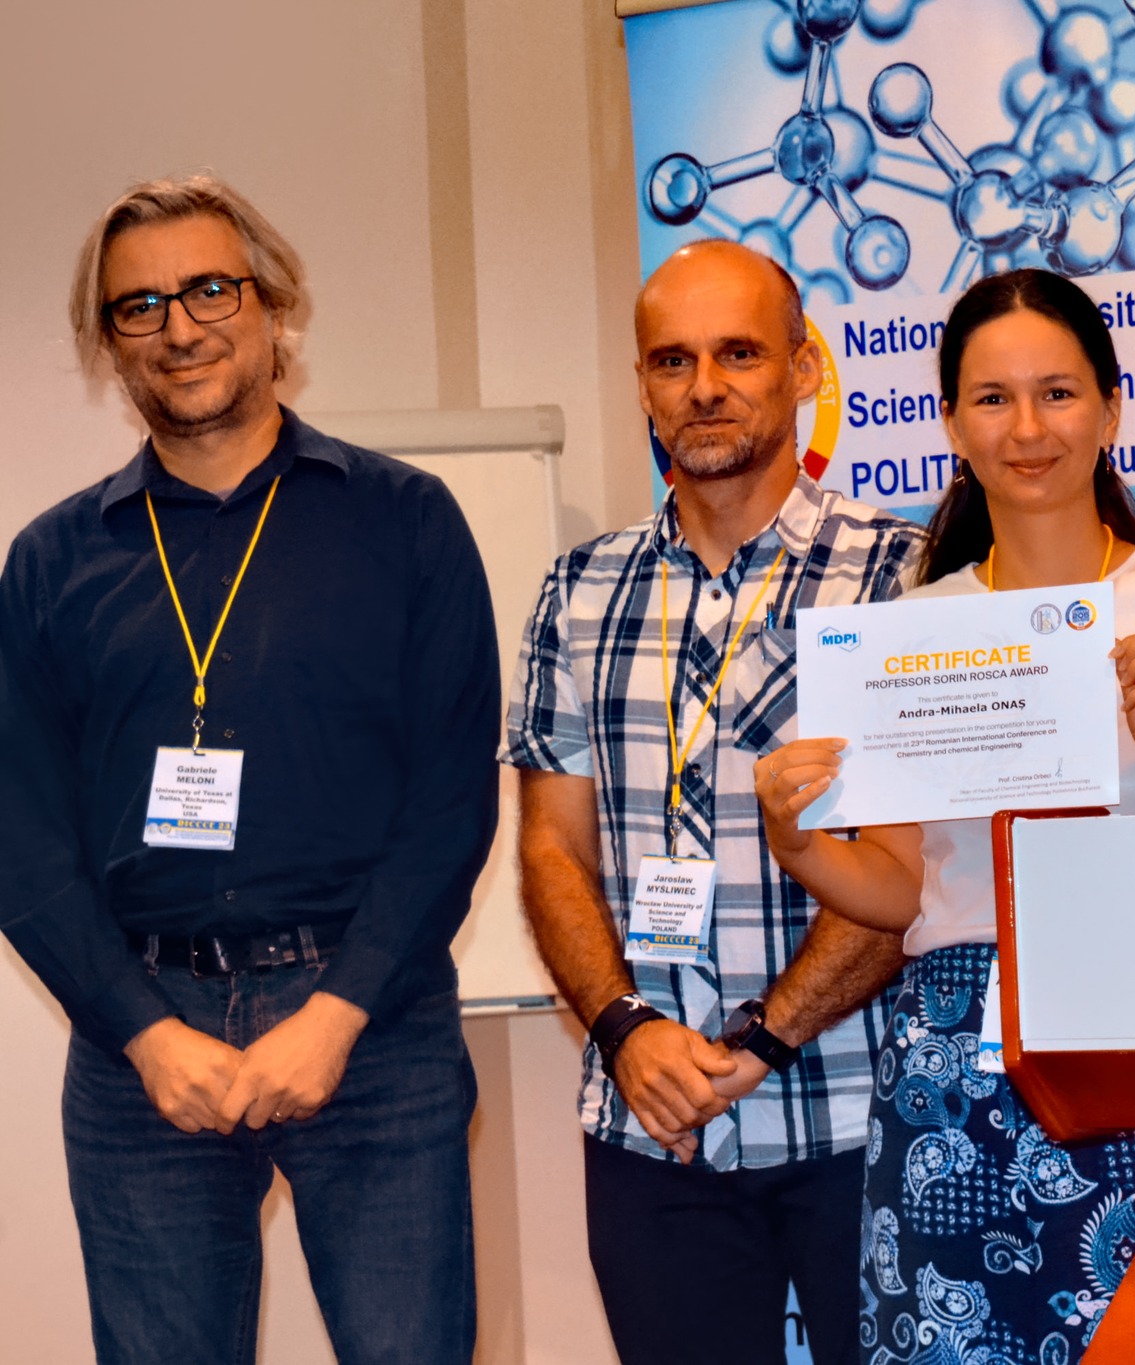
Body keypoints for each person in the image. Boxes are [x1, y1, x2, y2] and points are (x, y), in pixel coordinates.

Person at [754, 268, 1135, 1358]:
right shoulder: (912, 628)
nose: (1027, 429)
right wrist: (798, 839)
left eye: (1057, 393)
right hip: (952, 1064)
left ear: (1111, 409)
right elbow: (903, 888)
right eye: (992, 398)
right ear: (950, 425)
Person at [0, 176, 500, 1363]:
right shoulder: (53, 561)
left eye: (210, 290)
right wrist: (141, 1032)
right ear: (109, 343)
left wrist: (335, 1014)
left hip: (372, 1028)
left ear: (274, 305)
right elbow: (19, 831)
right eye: (139, 306)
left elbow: (448, 801)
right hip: (142, 1041)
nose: (179, 327)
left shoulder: (406, 521)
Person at [503, 239, 924, 1365]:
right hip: (648, 1132)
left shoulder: (900, 578)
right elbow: (550, 849)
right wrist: (626, 1032)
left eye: (739, 353)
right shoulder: (577, 590)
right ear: (642, 383)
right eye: (672, 360)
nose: (704, 386)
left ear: (801, 367)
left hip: (859, 1116)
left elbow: (917, 865)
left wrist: (757, 1043)